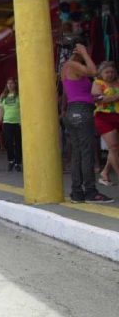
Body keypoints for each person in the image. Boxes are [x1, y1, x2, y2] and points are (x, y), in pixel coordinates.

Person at [61, 43, 113, 203]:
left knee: (77, 153)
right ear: (77, 50)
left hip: (73, 111)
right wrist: (84, 52)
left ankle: (77, 192)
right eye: (87, 50)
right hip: (82, 112)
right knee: (87, 153)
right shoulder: (72, 65)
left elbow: (68, 93)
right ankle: (90, 192)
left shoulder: (67, 68)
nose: (89, 54)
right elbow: (94, 71)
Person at [92, 61, 119, 192]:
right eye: (107, 72)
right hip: (103, 117)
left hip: (117, 116)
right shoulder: (98, 83)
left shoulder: (117, 82)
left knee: (115, 149)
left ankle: (105, 173)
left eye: (112, 72)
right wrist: (115, 97)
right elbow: (98, 99)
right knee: (114, 147)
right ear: (101, 73)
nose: (110, 74)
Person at [0, 78, 22, 172]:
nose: (9, 85)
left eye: (11, 83)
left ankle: (18, 162)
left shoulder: (19, 95)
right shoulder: (3, 96)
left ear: (15, 84)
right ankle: (11, 160)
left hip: (17, 122)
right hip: (7, 122)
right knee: (8, 142)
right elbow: (1, 110)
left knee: (18, 143)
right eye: (8, 83)